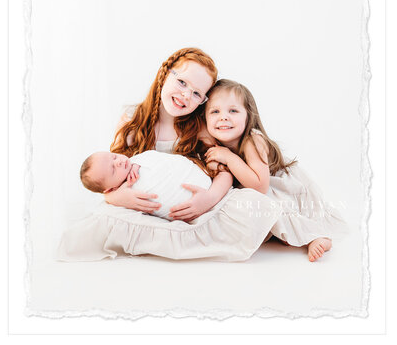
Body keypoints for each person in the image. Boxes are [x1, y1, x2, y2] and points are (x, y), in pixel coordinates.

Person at [203, 79, 348, 262]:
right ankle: (287, 233)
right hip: (263, 188)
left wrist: (229, 158)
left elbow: (260, 186)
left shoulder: (252, 141)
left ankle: (317, 236)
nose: (223, 117)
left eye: (233, 111)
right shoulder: (216, 142)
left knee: (272, 206)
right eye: (215, 111)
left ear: (248, 116)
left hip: (282, 186)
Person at [106, 47, 233, 222]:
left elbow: (224, 172)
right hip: (148, 207)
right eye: (182, 82)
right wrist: (112, 197)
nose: (186, 95)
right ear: (164, 73)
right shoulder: (132, 119)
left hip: (183, 208)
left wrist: (209, 199)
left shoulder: (199, 128)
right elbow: (110, 169)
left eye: (197, 94)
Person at [79, 150, 213, 221]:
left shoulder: (141, 158)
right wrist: (113, 197)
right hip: (197, 205)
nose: (119, 162)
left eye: (114, 157)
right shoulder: (126, 196)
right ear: (110, 189)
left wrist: (137, 163)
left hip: (209, 185)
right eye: (113, 170)